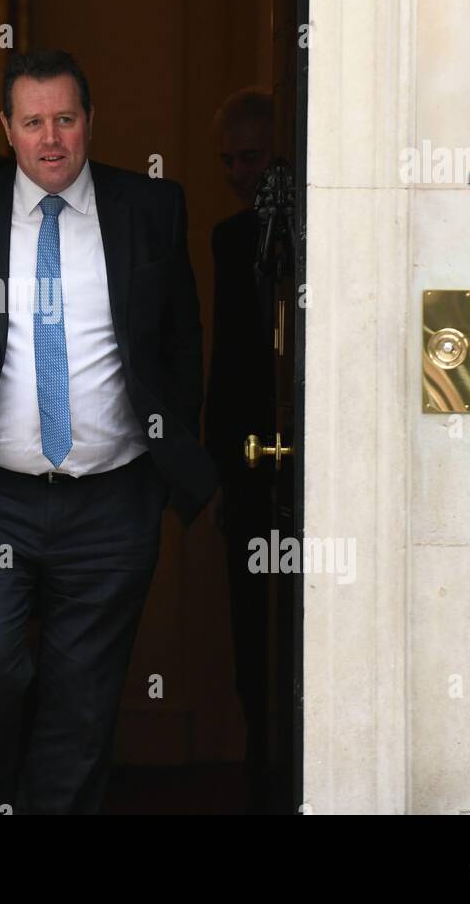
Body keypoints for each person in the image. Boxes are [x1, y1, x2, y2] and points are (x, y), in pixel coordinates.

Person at [0, 48, 218, 814]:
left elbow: (181, 338)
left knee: (83, 704)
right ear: (7, 127)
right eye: (32, 122)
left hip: (112, 500)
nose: (51, 138)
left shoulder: (151, 209)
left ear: (90, 121)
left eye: (65, 118)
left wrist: (174, 442)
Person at [202, 86, 295, 814]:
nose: (238, 172)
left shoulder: (321, 230)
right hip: (249, 459)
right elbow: (225, 361)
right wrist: (220, 470)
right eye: (229, 160)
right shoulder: (229, 239)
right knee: (247, 634)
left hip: (310, 456)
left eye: (252, 157)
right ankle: (260, 775)